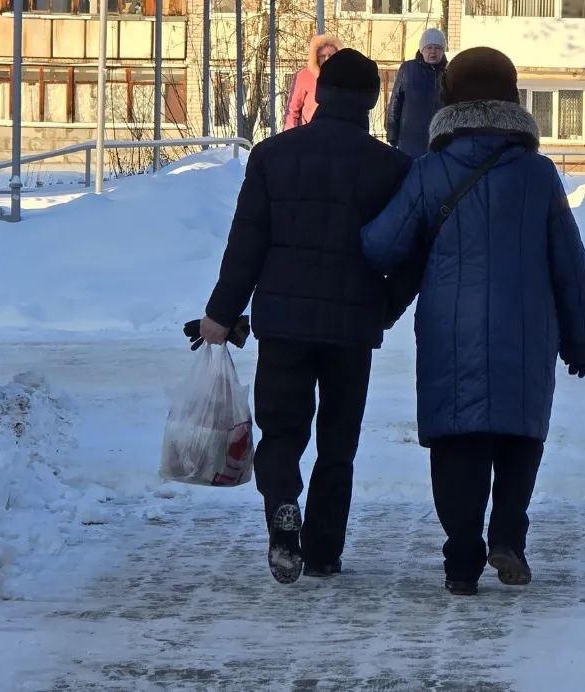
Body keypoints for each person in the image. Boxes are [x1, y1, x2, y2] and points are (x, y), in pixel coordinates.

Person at [360, 46, 585, 596]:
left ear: (449, 101)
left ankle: (461, 561)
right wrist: (579, 340)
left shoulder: (430, 172)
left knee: (456, 445)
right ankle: (508, 537)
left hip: (450, 333)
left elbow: (381, 246)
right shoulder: (538, 175)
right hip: (527, 332)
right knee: (519, 438)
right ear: (512, 101)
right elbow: (570, 262)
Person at [198, 48, 414, 585]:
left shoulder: (273, 156)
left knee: (283, 432)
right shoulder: (391, 167)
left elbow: (246, 243)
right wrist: (382, 310)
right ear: (370, 102)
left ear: (319, 95)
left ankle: (282, 512)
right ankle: (323, 552)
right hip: (352, 330)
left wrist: (221, 313)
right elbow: (411, 254)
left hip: (284, 325)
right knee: (338, 444)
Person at [386, 28, 448, 158]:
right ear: (421, 50)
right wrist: (392, 132)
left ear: (443, 51)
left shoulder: (449, 72)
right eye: (429, 47)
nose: (432, 52)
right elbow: (395, 101)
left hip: (440, 141)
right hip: (410, 140)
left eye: (437, 48)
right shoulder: (408, 69)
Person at [283, 34, 341, 131]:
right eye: (322, 56)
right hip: (309, 134)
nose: (327, 59)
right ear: (316, 57)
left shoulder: (343, 77)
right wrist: (290, 138)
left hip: (336, 135)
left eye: (330, 55)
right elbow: (292, 111)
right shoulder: (304, 76)